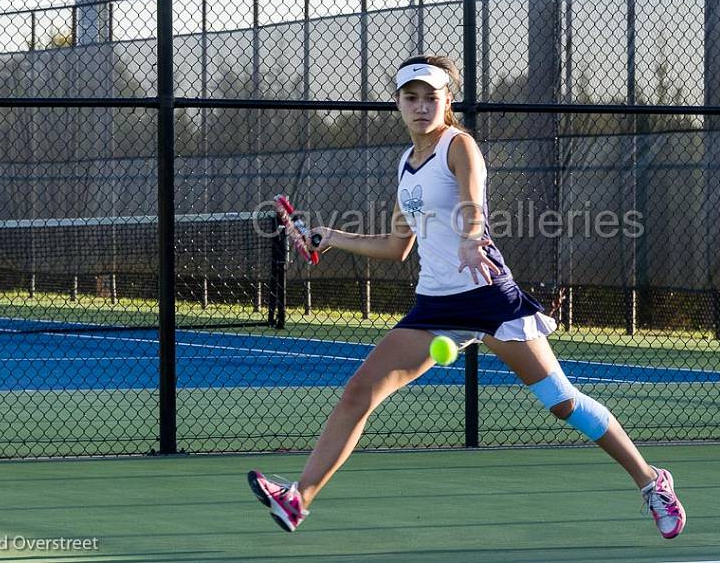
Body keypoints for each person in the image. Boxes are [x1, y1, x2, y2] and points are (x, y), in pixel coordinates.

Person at [247, 55, 686, 538]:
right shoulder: (405, 165)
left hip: (487, 297)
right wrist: (332, 236)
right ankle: (298, 499)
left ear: (447, 101)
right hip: (435, 306)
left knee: (562, 402)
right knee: (359, 392)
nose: (420, 107)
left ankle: (651, 481)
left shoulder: (460, 146)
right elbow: (398, 246)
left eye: (430, 97)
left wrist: (471, 236)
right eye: (410, 98)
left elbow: (473, 200)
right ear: (397, 103)